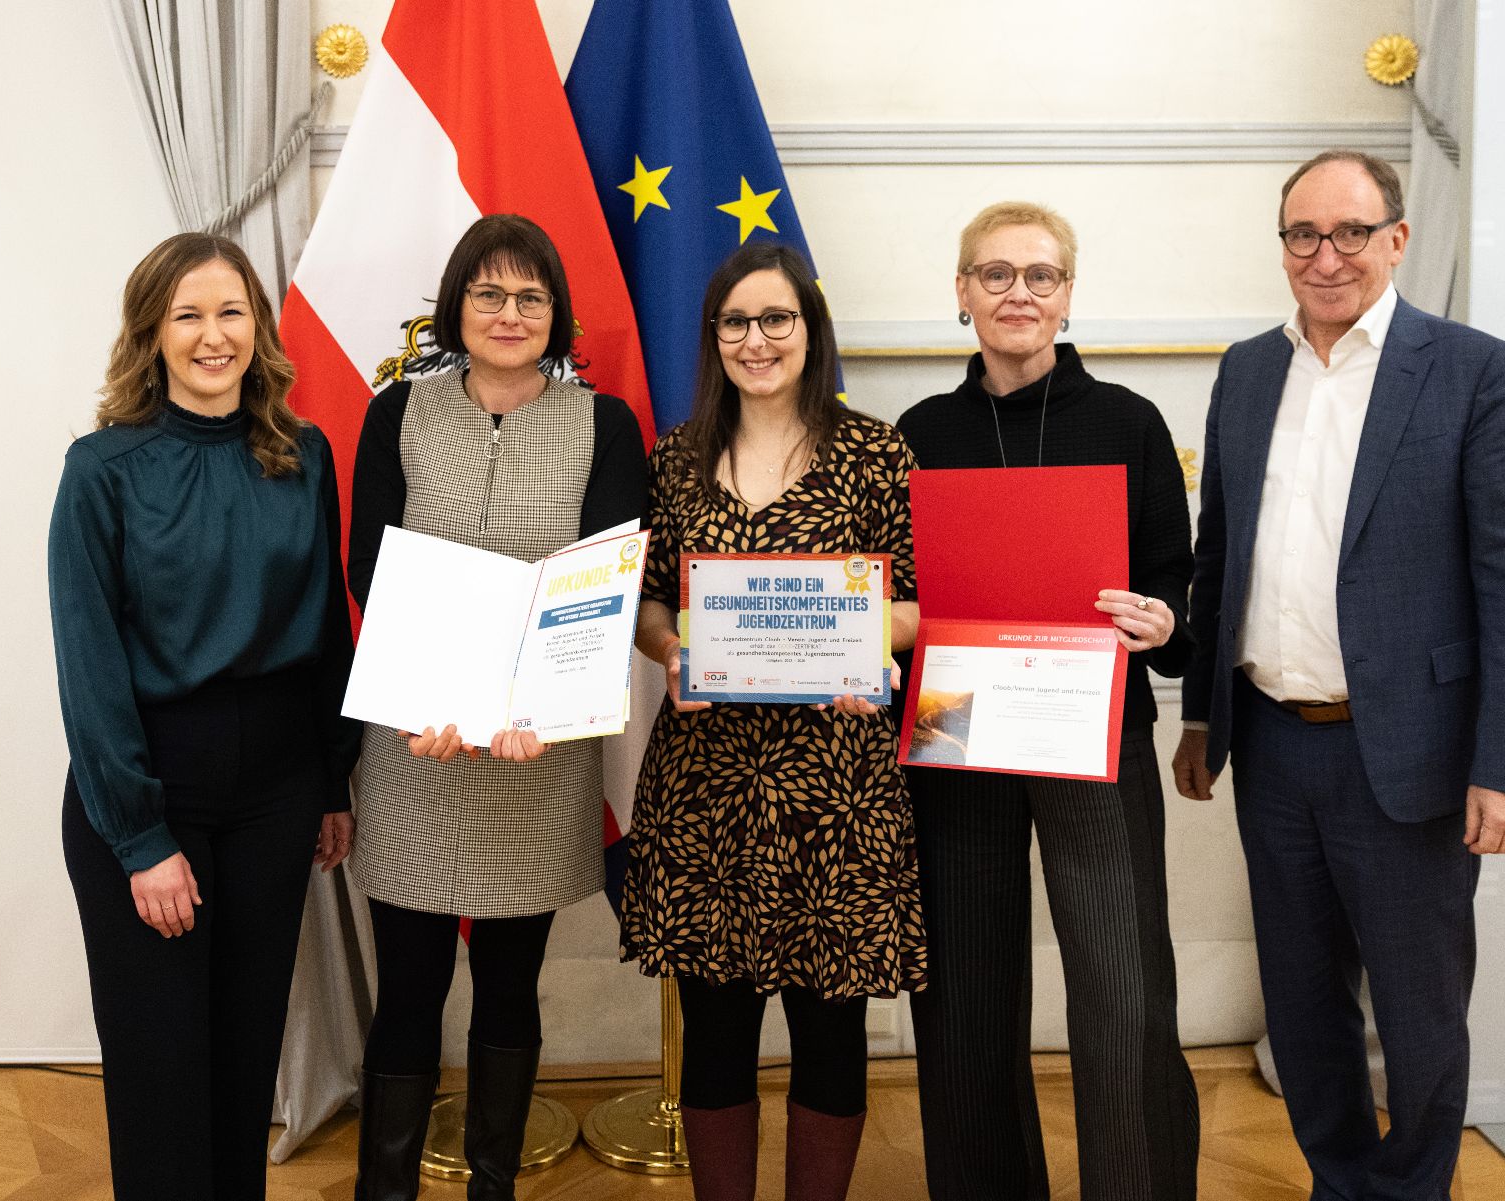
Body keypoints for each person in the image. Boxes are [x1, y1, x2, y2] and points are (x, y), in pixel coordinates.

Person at [1173, 150, 1505, 1200]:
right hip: (1272, 743)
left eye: (1349, 232)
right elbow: (1221, 556)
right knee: (1300, 1008)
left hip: (1411, 755)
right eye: (1302, 234)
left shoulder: (1471, 369)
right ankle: (1342, 1183)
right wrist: (1202, 717)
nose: (1324, 255)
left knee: (1420, 1015)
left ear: (1394, 237)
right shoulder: (1247, 369)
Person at [894, 201, 1200, 1201]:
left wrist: (1162, 620)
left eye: (1038, 275)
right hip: (958, 729)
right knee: (965, 1000)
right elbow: (896, 595)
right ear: (959, 294)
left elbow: (1175, 581)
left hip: (1094, 727)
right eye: (993, 274)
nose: (1015, 293)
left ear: (1067, 293)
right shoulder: (919, 433)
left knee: (1122, 996)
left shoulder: (1127, 421)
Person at [49, 233, 360, 1201]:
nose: (212, 334)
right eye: (187, 314)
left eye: (230, 312)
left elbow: (322, 631)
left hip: (275, 789)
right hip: (150, 786)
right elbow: (88, 664)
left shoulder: (302, 456)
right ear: (151, 333)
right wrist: (140, 839)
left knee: (242, 1054)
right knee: (161, 1067)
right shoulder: (100, 470)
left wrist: (331, 782)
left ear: (258, 328)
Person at [345, 213, 647, 1201]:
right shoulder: (397, 414)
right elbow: (369, 566)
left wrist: (535, 708)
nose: (507, 313)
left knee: (511, 985)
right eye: (487, 293)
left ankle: (491, 1186)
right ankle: (383, 1190)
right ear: (455, 307)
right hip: (413, 750)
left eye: (529, 296)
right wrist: (426, 697)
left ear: (554, 314)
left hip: (535, 751)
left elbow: (598, 590)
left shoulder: (604, 426)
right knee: (411, 987)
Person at [621, 241, 925, 1201]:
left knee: (830, 1031)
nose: (757, 340)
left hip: (836, 787)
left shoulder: (876, 452)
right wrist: (672, 653)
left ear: (810, 328)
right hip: (707, 790)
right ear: (714, 339)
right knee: (714, 1032)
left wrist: (860, 641)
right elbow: (651, 604)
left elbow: (921, 601)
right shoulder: (675, 457)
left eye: (777, 319)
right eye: (736, 323)